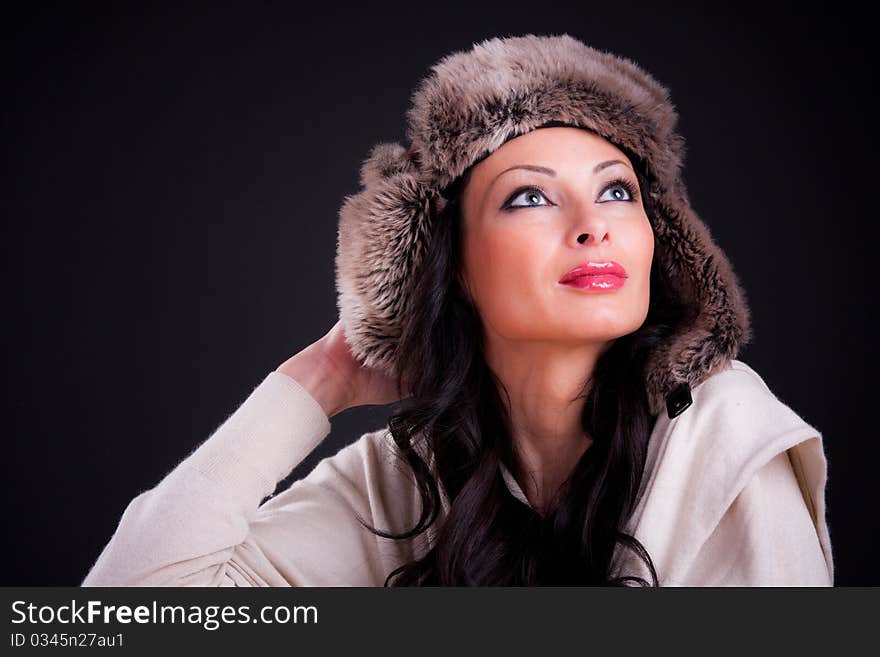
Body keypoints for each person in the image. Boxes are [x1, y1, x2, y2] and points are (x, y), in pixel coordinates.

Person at [81, 33, 834, 587]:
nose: (592, 222)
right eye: (530, 196)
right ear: (453, 267)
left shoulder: (724, 433)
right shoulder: (403, 477)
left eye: (617, 190)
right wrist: (324, 376)